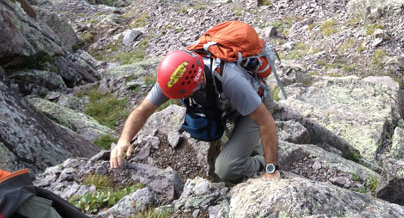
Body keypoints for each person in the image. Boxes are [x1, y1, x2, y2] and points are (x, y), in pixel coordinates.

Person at [110, 46, 280, 182]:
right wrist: (124, 139)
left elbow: (267, 122)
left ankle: (262, 161)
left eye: (184, 95)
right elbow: (143, 110)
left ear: (197, 83)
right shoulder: (173, 78)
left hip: (255, 107)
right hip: (229, 106)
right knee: (211, 132)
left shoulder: (229, 78)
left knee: (226, 168)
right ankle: (252, 143)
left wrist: (271, 169)